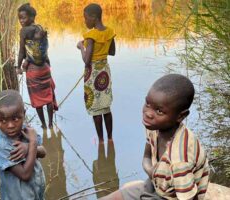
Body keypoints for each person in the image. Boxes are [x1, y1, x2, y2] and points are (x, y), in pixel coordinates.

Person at [101, 74, 210, 200]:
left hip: (172, 196)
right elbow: (146, 158)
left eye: (159, 111)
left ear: (180, 116)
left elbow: (189, 197)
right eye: (147, 104)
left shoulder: (180, 159)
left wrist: (157, 177)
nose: (148, 114)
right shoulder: (155, 128)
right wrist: (154, 174)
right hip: (157, 185)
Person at [0, 89, 46, 200]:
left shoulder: (26, 130)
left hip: (36, 192)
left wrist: (28, 147)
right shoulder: (2, 146)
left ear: (23, 114)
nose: (11, 125)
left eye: (15, 119)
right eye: (3, 121)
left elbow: (43, 152)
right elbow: (25, 175)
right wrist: (32, 143)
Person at [77, 3, 116, 143]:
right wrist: (101, 51)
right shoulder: (110, 32)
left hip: (93, 73)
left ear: (94, 17)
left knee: (95, 108)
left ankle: (100, 140)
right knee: (105, 106)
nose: (85, 21)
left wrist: (81, 47)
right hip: (104, 72)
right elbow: (112, 52)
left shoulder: (91, 35)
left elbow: (86, 61)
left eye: (86, 18)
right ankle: (110, 138)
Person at [17, 3, 57, 129]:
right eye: (20, 18)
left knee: (38, 99)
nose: (21, 21)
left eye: (24, 18)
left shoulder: (24, 31)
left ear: (32, 17)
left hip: (33, 71)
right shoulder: (39, 28)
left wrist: (18, 67)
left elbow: (22, 51)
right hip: (45, 68)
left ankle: (44, 125)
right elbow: (44, 50)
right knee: (48, 96)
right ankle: (51, 123)